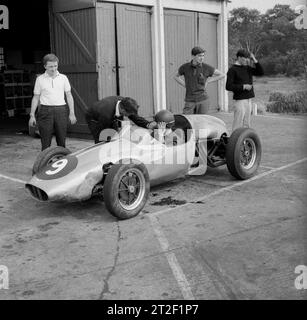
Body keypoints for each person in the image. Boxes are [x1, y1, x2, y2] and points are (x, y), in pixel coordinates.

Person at [29, 53, 77, 150]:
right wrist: (32, 115)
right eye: (50, 66)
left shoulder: (63, 78)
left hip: (61, 111)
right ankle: (45, 163)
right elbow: (36, 97)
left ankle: (62, 161)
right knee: (45, 143)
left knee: (61, 141)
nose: (54, 69)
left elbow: (69, 95)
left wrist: (72, 113)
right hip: (45, 111)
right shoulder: (40, 79)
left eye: (55, 66)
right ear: (45, 66)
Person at [85, 95, 157, 143]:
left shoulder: (125, 102)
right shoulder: (106, 113)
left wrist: (148, 124)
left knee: (115, 137)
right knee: (102, 139)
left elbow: (135, 118)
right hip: (94, 118)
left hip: (109, 115)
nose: (130, 116)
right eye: (129, 114)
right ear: (122, 110)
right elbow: (104, 131)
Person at [174, 46, 224, 114]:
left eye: (203, 56)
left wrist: (208, 81)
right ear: (193, 56)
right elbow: (175, 76)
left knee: (201, 122)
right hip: (190, 100)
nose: (202, 58)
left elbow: (222, 75)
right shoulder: (185, 67)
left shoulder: (206, 67)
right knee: (187, 120)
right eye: (199, 56)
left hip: (203, 100)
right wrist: (185, 84)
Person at [226, 49, 264, 131]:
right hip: (240, 101)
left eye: (248, 58)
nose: (246, 60)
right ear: (239, 58)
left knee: (247, 124)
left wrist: (254, 60)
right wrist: (243, 86)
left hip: (249, 99)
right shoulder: (232, 70)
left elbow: (261, 72)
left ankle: (245, 142)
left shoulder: (247, 68)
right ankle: (234, 142)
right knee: (237, 124)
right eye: (244, 58)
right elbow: (228, 86)